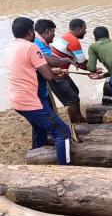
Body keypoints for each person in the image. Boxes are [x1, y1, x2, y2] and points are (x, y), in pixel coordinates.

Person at [5, 17, 71, 165]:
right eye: (33, 30)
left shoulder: (11, 47)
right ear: (30, 32)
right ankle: (66, 169)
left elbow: (30, 69)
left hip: (17, 100)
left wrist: (53, 71)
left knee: (39, 127)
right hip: (31, 101)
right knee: (63, 132)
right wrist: (54, 73)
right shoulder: (31, 47)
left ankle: (37, 156)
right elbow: (47, 75)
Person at [34, 19, 78, 110]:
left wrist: (60, 69)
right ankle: (75, 121)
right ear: (47, 31)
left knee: (75, 92)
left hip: (52, 73)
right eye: (53, 32)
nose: (54, 35)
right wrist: (68, 60)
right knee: (72, 100)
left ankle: (77, 119)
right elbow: (51, 61)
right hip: (47, 76)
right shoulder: (37, 42)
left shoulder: (43, 42)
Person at [50, 18, 88, 123]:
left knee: (75, 91)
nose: (85, 31)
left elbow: (78, 61)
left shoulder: (65, 37)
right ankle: (75, 123)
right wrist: (94, 69)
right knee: (72, 100)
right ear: (79, 28)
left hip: (60, 72)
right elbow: (82, 63)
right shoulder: (73, 41)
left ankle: (79, 117)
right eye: (85, 29)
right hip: (56, 75)